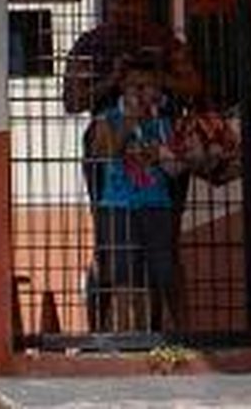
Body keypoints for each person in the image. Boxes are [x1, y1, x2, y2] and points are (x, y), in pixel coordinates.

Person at [82, 51, 186, 335]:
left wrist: (162, 153)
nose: (141, 93)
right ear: (122, 88)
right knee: (122, 269)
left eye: (148, 86)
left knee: (164, 269)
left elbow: (176, 168)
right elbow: (105, 153)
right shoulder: (107, 119)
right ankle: (125, 332)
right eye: (134, 86)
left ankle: (175, 332)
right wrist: (130, 122)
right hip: (118, 205)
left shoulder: (162, 122)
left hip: (157, 203)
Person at [61, 0, 203, 116]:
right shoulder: (89, 44)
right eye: (124, 2)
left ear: (148, 6)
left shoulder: (164, 41)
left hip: (162, 125)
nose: (131, 10)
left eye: (138, 2)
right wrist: (112, 80)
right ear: (108, 3)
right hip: (108, 127)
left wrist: (158, 77)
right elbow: (72, 103)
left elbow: (195, 89)